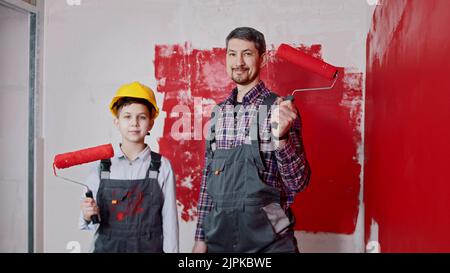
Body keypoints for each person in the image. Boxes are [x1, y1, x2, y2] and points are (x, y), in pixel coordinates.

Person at [192, 27, 311, 253]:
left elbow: (298, 183)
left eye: (247, 53)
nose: (238, 62)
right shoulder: (218, 114)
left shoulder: (279, 109)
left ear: (262, 59)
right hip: (221, 239)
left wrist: (282, 138)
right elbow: (209, 183)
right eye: (232, 53)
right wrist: (200, 239)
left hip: (271, 242)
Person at [79, 81, 179, 253]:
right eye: (127, 116)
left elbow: (170, 224)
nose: (134, 123)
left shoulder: (162, 166)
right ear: (116, 122)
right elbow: (88, 220)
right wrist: (87, 213)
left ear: (151, 123)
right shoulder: (101, 166)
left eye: (142, 117)